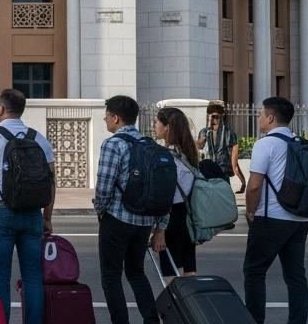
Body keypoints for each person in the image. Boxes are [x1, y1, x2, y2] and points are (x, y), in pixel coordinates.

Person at [0, 88, 56, 324]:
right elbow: (50, 182)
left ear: (1, 109)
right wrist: (47, 217)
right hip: (33, 214)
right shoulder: (39, 139)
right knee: (33, 276)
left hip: (1, 212)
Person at [93, 95, 168, 324]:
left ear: (116, 118)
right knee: (136, 272)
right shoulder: (150, 145)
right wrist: (161, 225)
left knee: (111, 277)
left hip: (117, 218)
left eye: (107, 115)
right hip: (144, 221)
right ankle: (151, 320)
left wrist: (100, 211)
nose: (105, 119)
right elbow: (163, 188)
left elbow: (104, 186)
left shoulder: (113, 144)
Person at [243, 96, 308, 324]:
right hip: (299, 219)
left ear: (270, 118)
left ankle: (255, 320)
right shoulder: (300, 143)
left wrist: (250, 211)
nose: (258, 118)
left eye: (260, 114)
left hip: (270, 218)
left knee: (254, 272)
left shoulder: (265, 144)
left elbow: (254, 185)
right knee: (296, 276)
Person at [154, 107, 200, 284]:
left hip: (172, 218)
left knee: (171, 275)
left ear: (167, 127)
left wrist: (160, 230)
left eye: (157, 122)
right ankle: (192, 302)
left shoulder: (165, 157)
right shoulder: (189, 153)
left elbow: (167, 195)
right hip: (189, 215)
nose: (155, 125)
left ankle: (178, 303)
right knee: (189, 270)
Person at [197, 101, 246, 193]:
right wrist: (200, 142)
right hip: (208, 175)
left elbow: (234, 164)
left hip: (221, 175)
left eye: (216, 117)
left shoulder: (229, 134)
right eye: (211, 117)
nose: (214, 121)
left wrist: (243, 183)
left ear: (222, 118)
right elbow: (197, 150)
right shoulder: (204, 133)